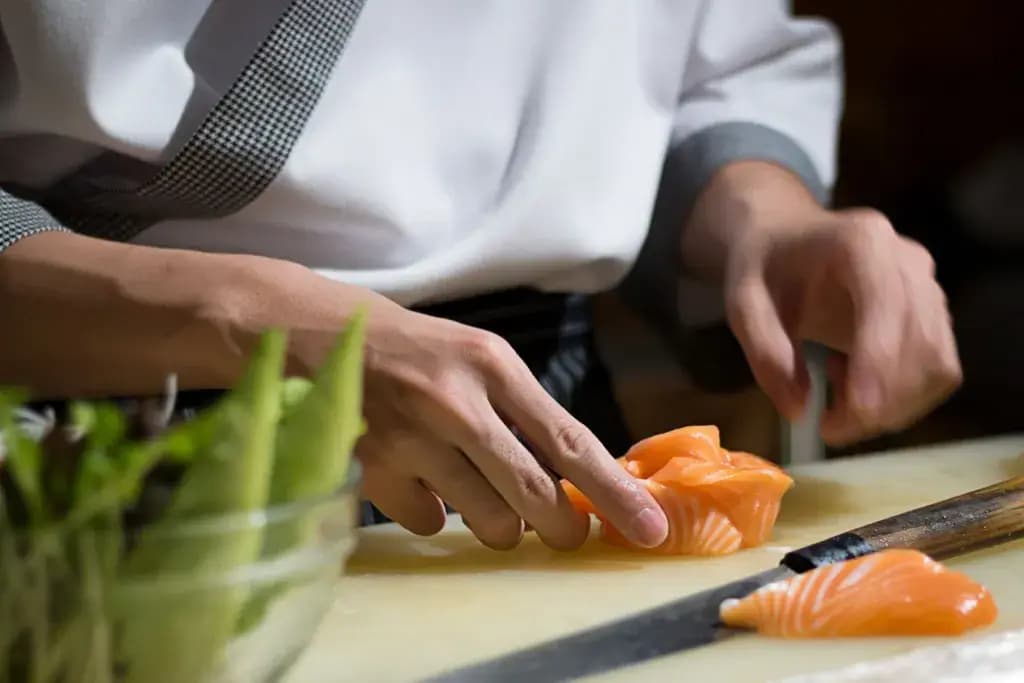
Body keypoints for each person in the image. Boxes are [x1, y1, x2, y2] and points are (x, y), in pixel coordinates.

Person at [0, 1, 960, 552]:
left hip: (552, 456)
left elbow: (698, 64)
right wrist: (245, 324)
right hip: (108, 460)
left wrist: (764, 218)